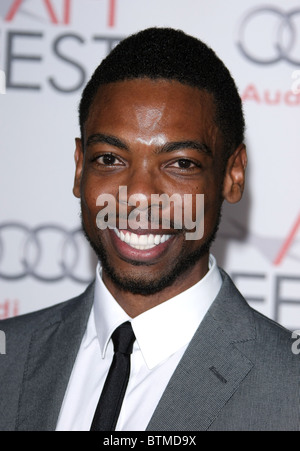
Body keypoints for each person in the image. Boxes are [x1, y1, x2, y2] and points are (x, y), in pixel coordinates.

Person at [0, 28, 299, 432]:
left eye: (181, 164)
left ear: (232, 175)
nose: (139, 196)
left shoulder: (289, 388)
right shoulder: (10, 354)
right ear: (79, 166)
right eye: (109, 158)